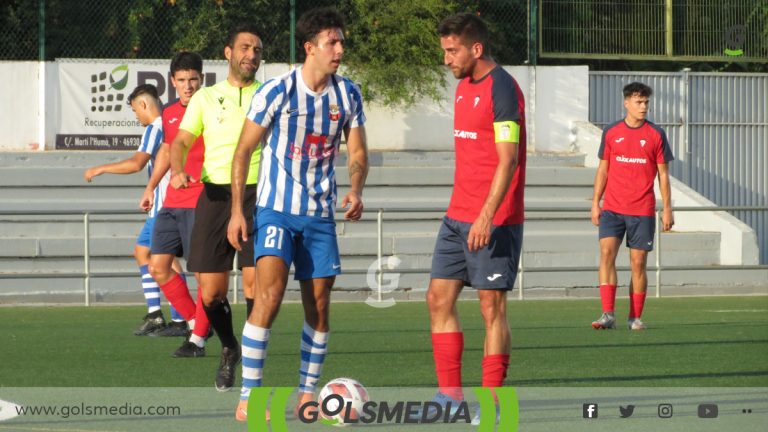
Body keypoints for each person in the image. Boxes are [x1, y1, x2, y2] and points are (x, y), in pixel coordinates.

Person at [227, 7, 368, 422]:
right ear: (310, 48)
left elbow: (357, 152)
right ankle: (249, 397)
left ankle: (308, 393)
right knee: (267, 298)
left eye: (340, 41)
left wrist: (356, 189)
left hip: (320, 215)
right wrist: (238, 211)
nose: (339, 48)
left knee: (319, 308)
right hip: (276, 211)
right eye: (332, 42)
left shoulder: (349, 94)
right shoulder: (276, 92)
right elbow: (243, 151)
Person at [425, 12, 527, 425]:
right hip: (456, 216)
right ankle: (450, 394)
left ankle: (492, 403)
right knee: (437, 299)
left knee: (491, 309)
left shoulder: (503, 88)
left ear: (476, 49)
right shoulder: (463, 87)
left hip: (495, 219)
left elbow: (509, 159)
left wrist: (486, 216)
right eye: (445, 51)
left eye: (453, 51)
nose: (447, 59)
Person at [168, 24, 263, 391]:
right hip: (215, 196)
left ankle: (255, 356)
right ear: (228, 53)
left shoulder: (269, 94)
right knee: (210, 294)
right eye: (244, 47)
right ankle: (229, 347)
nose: (251, 54)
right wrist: (177, 169)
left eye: (256, 49)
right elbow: (181, 141)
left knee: (257, 283)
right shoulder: (206, 98)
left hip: (259, 194)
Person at [84, 83, 184, 336]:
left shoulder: (155, 127)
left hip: (165, 206)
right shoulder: (172, 125)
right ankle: (164, 316)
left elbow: (137, 163)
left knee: (157, 257)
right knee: (151, 255)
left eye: (135, 111)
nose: (136, 116)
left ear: (143, 105)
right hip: (166, 203)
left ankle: (176, 318)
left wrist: (101, 168)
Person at [139, 51, 213, 355]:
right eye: (182, 80)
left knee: (202, 273)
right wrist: (151, 186)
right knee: (157, 266)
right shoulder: (169, 113)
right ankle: (199, 322)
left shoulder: (211, 109)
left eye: (193, 78)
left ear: (202, 79)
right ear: (173, 82)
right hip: (172, 201)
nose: (188, 85)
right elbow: (167, 151)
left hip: (202, 200)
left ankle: (198, 335)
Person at [590, 82, 674, 331]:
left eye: (646, 102)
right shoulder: (611, 131)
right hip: (613, 208)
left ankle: (634, 317)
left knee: (638, 264)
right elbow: (603, 169)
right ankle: (608, 314)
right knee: (607, 255)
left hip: (642, 210)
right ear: (626, 103)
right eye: (638, 102)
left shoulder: (656, 134)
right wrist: (596, 203)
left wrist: (667, 208)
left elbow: (664, 176)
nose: (643, 106)